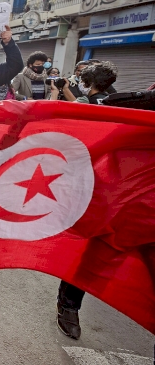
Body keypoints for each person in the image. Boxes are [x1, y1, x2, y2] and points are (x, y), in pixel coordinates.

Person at [50, 62, 118, 341]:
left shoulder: (124, 101)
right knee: (89, 242)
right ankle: (68, 306)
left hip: (125, 184)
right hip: (96, 183)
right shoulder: (89, 101)